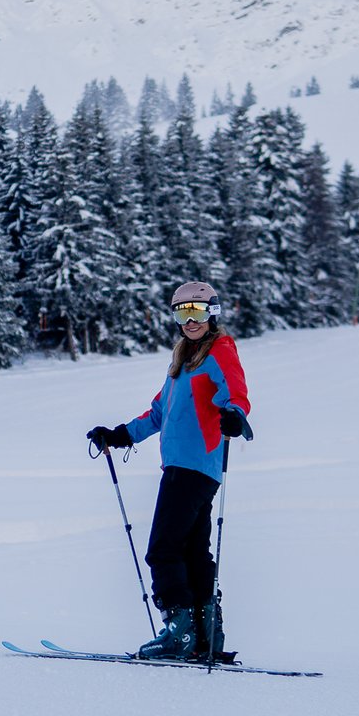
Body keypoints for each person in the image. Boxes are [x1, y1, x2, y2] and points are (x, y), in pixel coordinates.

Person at [87, 281, 251, 661]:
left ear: (212, 313)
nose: (190, 320)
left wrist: (234, 415)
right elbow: (159, 412)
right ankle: (206, 636)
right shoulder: (182, 360)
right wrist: (121, 435)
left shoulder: (220, 350)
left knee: (163, 549)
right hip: (185, 467)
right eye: (182, 312)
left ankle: (179, 633)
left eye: (197, 311)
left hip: (194, 466)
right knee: (192, 551)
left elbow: (236, 393)